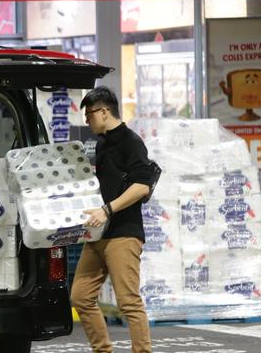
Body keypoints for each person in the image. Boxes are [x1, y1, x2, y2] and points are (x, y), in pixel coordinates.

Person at [71, 86, 153, 353]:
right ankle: (102, 350)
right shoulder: (102, 143)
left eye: (89, 115)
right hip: (97, 234)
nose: (87, 120)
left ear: (104, 112)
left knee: (128, 302)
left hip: (123, 233)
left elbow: (142, 186)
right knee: (81, 296)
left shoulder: (131, 142)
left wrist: (106, 210)